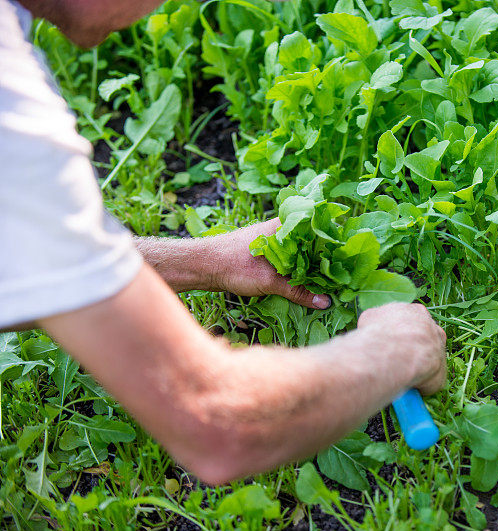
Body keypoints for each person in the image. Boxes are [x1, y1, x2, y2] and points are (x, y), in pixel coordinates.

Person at [0, 0, 446, 485]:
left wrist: (201, 261)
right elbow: (218, 423)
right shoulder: (12, 110)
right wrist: (392, 352)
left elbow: (22, 257)